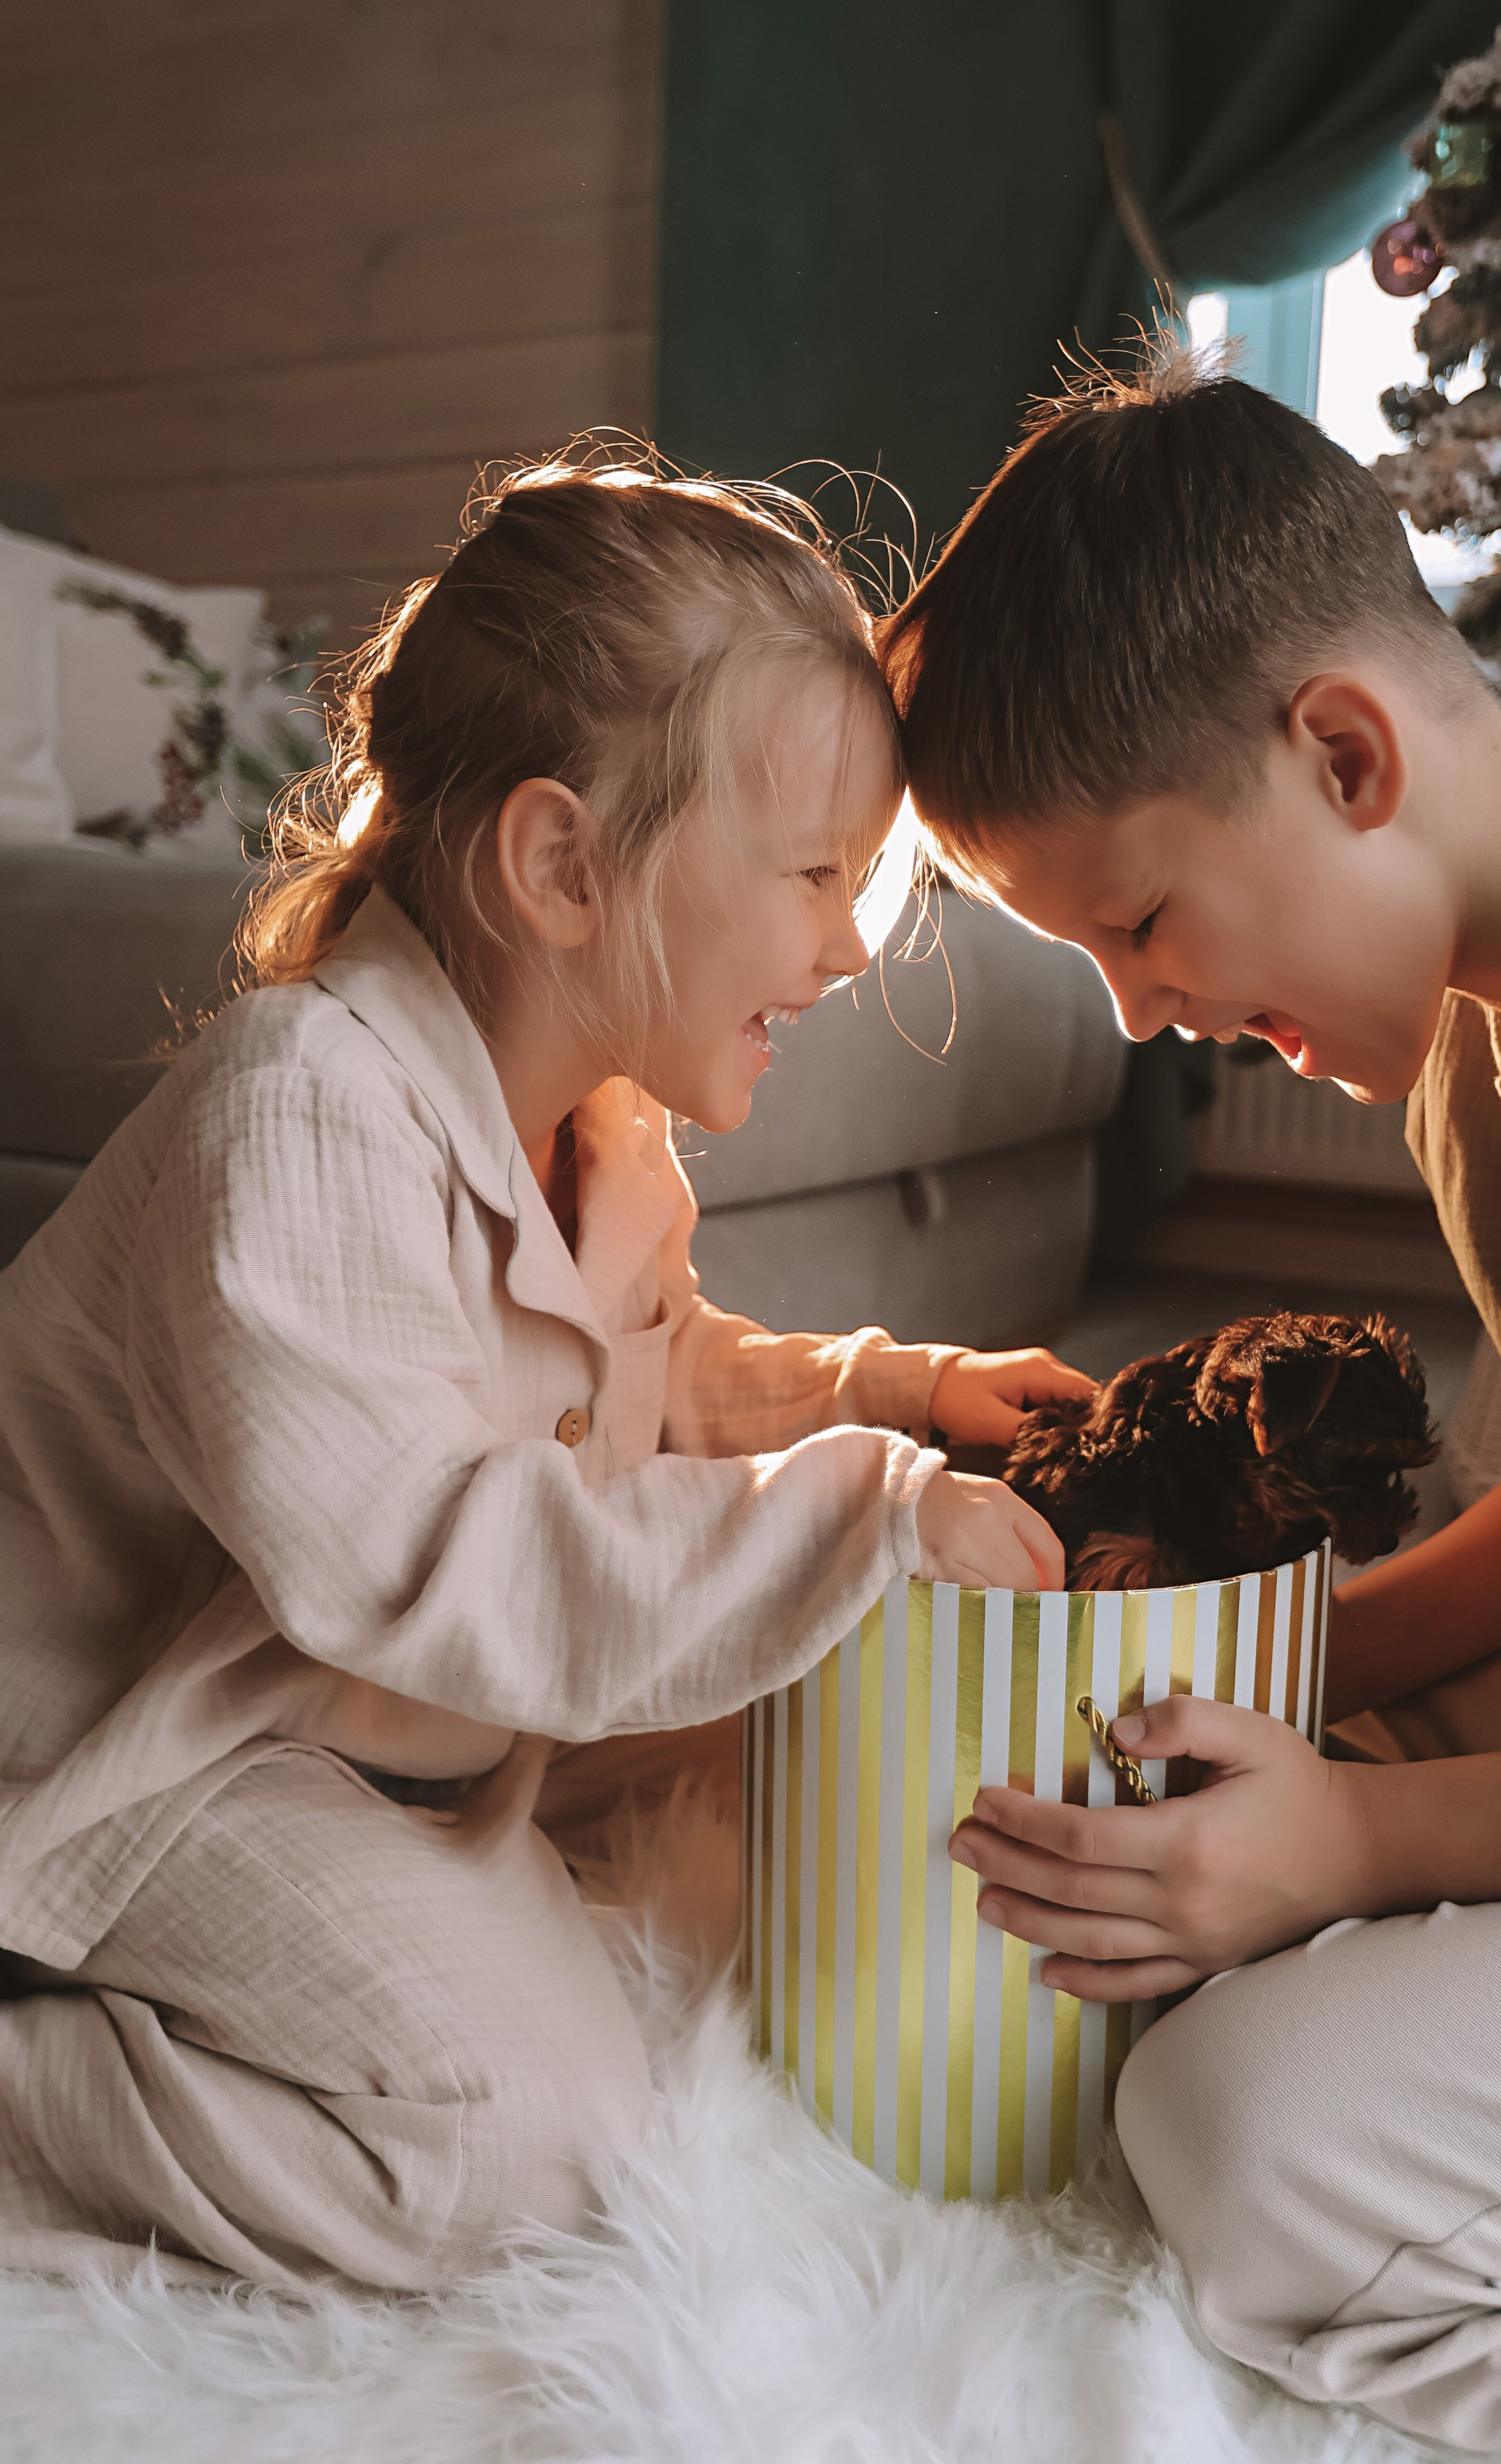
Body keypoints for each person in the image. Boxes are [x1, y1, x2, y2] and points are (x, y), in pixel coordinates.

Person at [0, 457, 1083, 2290]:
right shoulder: (302, 1109)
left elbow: (653, 1379)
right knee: (523, 2144)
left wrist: (895, 1396)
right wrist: (873, 1518)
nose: (843, 942)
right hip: (139, 1745)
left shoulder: (602, 1131)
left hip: (365, 1730)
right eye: (816, 875)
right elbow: (426, 1544)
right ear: (564, 863)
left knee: (766, 1831)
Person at [882, 347, 1501, 2452]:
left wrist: (1364, 1833)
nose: (1145, 1013)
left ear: (1345, 754)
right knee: (1129, 1851)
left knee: (1242, 2130)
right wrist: (1309, 1664)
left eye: (1147, 924)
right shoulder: (1477, 1051)